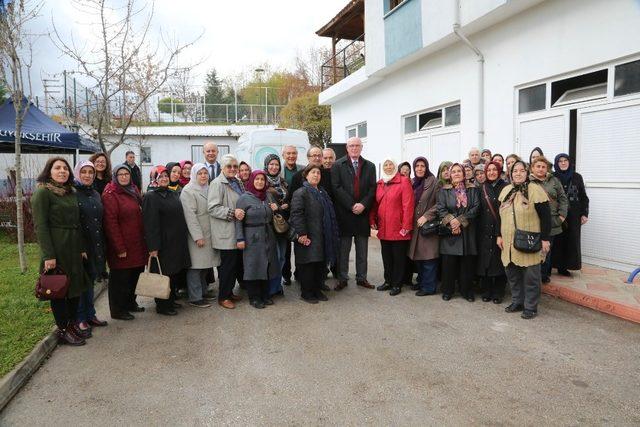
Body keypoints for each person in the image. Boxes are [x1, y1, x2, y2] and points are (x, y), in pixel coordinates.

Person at [31, 157, 93, 345]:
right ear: (49, 171)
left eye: (65, 168)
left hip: (73, 247)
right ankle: (63, 329)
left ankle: (72, 324)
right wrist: (49, 255)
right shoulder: (43, 193)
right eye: (57, 168)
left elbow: (77, 222)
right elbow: (40, 226)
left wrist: (81, 247)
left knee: (74, 288)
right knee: (59, 289)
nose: (62, 171)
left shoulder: (70, 192)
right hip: (57, 248)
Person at [497, 160, 551, 319]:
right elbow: (498, 216)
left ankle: (531, 306)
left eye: (521, 170)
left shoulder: (535, 190)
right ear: (510, 173)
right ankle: (517, 301)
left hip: (530, 241)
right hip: (508, 241)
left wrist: (545, 239)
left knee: (531, 276)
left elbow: (546, 218)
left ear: (527, 173)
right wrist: (498, 236)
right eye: (515, 171)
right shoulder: (506, 190)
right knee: (512, 273)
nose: (518, 173)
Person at [142, 166, 191, 315]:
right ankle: (162, 306)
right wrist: (153, 247)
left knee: (174, 273)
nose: (164, 178)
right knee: (164, 274)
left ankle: (170, 300)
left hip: (175, 242)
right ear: (154, 179)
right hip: (162, 244)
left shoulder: (172, 193)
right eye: (160, 176)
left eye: (165, 176)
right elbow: (150, 224)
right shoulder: (151, 196)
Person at [102, 164, 148, 320]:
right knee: (121, 279)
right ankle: (118, 310)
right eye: (120, 174)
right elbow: (111, 224)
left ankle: (130, 303)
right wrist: (119, 247)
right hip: (122, 245)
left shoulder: (133, 190)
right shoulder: (110, 194)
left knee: (135, 275)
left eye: (126, 174)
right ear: (115, 176)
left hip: (137, 243)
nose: (124, 176)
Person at [331, 137, 377, 290]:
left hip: (362, 214)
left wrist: (363, 204)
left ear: (361, 147)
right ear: (347, 147)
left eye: (357, 145)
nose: (354, 148)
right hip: (345, 213)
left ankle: (361, 278)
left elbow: (372, 189)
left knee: (362, 250)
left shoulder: (370, 166)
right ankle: (342, 278)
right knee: (343, 250)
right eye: (351, 146)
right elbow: (336, 188)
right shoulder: (338, 165)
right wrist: (351, 205)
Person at [290, 165, 340, 303]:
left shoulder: (322, 192)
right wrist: (302, 233)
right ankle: (307, 293)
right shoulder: (301, 192)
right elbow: (296, 214)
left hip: (322, 235)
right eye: (313, 172)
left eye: (318, 173)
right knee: (308, 266)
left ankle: (317, 290)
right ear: (306, 175)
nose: (316, 175)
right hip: (308, 235)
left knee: (319, 265)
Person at [73, 160, 108, 334]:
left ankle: (90, 314)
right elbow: (73, 223)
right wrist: (80, 247)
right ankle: (80, 319)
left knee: (91, 281)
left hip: (96, 244)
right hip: (81, 246)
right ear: (78, 173)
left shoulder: (95, 194)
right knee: (81, 283)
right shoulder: (72, 193)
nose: (87, 175)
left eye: (91, 172)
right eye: (84, 172)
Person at [235, 170, 279, 309]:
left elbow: (273, 216)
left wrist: (275, 209)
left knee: (267, 265)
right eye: (257, 179)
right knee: (253, 266)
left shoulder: (268, 196)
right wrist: (240, 238)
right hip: (251, 237)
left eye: (262, 179)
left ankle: (265, 295)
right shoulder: (244, 198)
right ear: (252, 181)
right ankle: (254, 297)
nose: (260, 182)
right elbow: (238, 221)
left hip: (268, 235)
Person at [370, 158, 414, 296]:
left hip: (399, 227)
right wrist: (372, 220)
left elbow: (408, 205)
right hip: (384, 227)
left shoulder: (404, 181)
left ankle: (397, 284)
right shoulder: (380, 183)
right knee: (386, 256)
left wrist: (406, 225)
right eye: (386, 165)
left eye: (391, 164)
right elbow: (375, 204)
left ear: (395, 166)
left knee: (399, 258)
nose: (388, 167)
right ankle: (388, 281)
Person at [437, 163, 480, 302]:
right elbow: (441, 209)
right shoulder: (444, 190)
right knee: (449, 264)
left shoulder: (473, 190)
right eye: (453, 171)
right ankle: (447, 291)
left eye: (459, 171)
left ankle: (466, 291)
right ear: (450, 175)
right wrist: (453, 223)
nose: (456, 174)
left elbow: (475, 208)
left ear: (464, 173)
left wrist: (460, 220)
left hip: (468, 232)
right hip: (451, 232)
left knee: (466, 265)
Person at [180, 163, 220, 308]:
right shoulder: (188, 191)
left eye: (205, 173)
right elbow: (190, 215)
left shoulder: (208, 188)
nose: (203, 176)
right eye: (200, 173)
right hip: (196, 235)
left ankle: (202, 292)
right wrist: (197, 236)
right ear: (194, 175)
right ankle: (195, 297)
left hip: (209, 233)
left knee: (205, 266)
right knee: (195, 268)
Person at [208, 154, 245, 309]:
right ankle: (223, 297)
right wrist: (232, 212)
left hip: (237, 231)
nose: (232, 169)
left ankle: (229, 292)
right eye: (229, 166)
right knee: (227, 267)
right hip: (226, 233)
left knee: (235, 265)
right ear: (222, 168)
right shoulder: (217, 183)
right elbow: (212, 207)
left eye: (235, 166)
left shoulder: (237, 182)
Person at [529, 156, 568, 283]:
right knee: (533, 250)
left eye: (543, 167)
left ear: (547, 169)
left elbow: (563, 198)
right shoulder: (528, 182)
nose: (540, 169)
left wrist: (562, 216)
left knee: (546, 251)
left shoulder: (554, 181)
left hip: (552, 222)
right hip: (533, 222)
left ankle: (543, 275)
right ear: (532, 168)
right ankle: (533, 277)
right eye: (538, 166)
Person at [551, 153, 589, 276]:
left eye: (565, 160)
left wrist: (584, 213)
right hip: (557, 215)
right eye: (560, 161)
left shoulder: (577, 177)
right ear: (556, 163)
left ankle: (564, 268)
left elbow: (583, 197)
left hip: (573, 216)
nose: (563, 163)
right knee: (557, 240)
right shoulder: (552, 177)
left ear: (569, 162)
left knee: (571, 241)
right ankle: (551, 266)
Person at [476, 161, 507, 304]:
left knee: (499, 262)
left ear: (499, 171)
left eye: (495, 170)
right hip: (484, 230)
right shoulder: (482, 188)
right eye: (489, 170)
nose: (492, 172)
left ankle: (498, 292)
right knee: (485, 262)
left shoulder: (506, 187)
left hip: (501, 230)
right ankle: (486, 290)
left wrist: (499, 233)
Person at [407, 157, 439, 296]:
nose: (420, 168)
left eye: (423, 166)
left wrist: (427, 216)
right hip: (414, 226)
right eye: (417, 166)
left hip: (427, 226)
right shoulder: (412, 182)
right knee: (418, 257)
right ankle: (421, 282)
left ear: (427, 167)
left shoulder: (434, 182)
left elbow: (440, 203)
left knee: (429, 258)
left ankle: (429, 287)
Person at [263, 154, 289, 296]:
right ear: (266, 166)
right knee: (272, 258)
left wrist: (286, 205)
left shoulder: (283, 182)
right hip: (269, 226)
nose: (274, 167)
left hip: (282, 225)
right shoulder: (262, 181)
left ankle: (277, 285)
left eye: (276, 164)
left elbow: (288, 199)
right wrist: (272, 207)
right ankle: (270, 288)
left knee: (282, 257)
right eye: (271, 164)